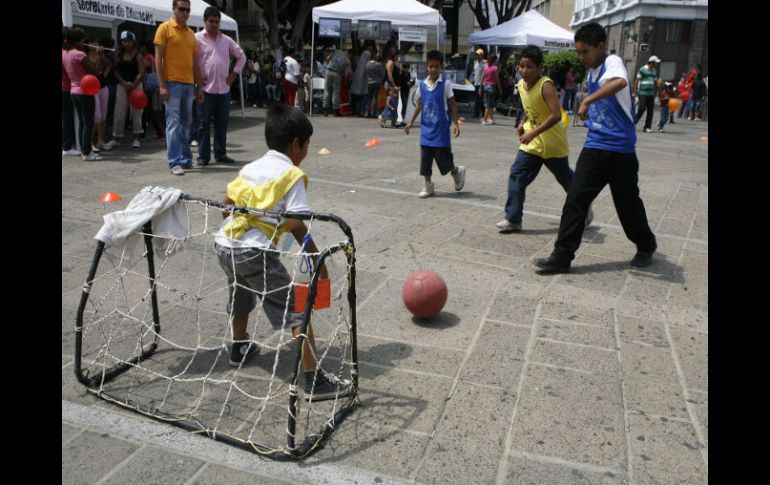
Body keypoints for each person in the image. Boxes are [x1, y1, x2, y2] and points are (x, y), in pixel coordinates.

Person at [213, 104, 353, 401]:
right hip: (255, 252)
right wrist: (316, 257)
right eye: (307, 145)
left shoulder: (250, 167)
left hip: (224, 244)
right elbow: (296, 223)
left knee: (240, 290)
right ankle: (313, 380)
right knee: (296, 309)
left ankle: (239, 346)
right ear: (295, 144)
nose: (307, 152)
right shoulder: (291, 174)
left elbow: (226, 206)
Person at [535, 22, 657, 273]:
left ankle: (646, 244)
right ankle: (562, 256)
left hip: (621, 152)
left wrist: (588, 100)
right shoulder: (591, 72)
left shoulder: (613, 62)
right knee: (575, 199)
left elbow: (619, 82)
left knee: (627, 206)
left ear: (601, 46)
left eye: (585, 52)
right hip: (594, 147)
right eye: (578, 52)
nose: (581, 57)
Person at [496, 45, 592, 233]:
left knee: (566, 179)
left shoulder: (545, 85)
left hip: (552, 143)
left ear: (540, 68)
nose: (524, 70)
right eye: (521, 66)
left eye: (529, 67)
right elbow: (530, 108)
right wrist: (523, 124)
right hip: (532, 144)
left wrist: (532, 133)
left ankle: (584, 205)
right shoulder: (521, 85)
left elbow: (555, 115)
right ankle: (513, 219)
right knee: (517, 174)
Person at [404, 50, 466, 198]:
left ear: (441, 67)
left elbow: (452, 104)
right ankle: (428, 185)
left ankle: (457, 172)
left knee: (444, 162)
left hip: (441, 131)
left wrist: (456, 123)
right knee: (425, 160)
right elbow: (420, 104)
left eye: (436, 66)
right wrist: (410, 122)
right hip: (426, 131)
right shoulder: (422, 85)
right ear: (426, 67)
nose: (433, 69)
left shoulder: (445, 84)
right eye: (431, 66)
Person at [193, 5, 245, 167]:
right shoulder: (196, 39)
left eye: (217, 21)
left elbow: (242, 57)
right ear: (204, 21)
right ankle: (203, 156)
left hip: (223, 89)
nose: (214, 24)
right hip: (204, 89)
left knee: (222, 124)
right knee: (203, 124)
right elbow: (190, 61)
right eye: (211, 21)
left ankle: (221, 154)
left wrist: (233, 75)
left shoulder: (226, 40)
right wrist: (196, 82)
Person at [154, 0, 202, 176]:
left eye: (188, 10)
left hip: (189, 84)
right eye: (182, 9)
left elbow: (195, 63)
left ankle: (185, 158)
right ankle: (174, 161)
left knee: (187, 123)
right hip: (172, 83)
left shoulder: (191, 33)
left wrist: (199, 87)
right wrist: (162, 85)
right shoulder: (164, 28)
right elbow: (158, 59)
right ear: (174, 9)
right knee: (174, 123)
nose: (185, 13)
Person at [62, 27, 102, 161]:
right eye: (82, 40)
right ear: (78, 41)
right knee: (88, 123)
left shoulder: (65, 53)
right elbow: (95, 71)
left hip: (73, 91)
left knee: (81, 123)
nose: (83, 42)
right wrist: (98, 56)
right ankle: (87, 152)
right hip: (84, 91)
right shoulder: (80, 55)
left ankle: (83, 150)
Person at [111, 31, 145, 149]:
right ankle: (117, 137)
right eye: (124, 41)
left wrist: (133, 84)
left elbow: (141, 73)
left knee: (137, 113)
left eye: (128, 41)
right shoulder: (118, 55)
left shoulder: (138, 56)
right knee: (119, 112)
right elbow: (116, 71)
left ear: (133, 42)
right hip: (122, 85)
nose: (126, 43)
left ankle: (136, 138)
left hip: (136, 85)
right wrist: (124, 83)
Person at [62, 28, 79, 157]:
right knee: (67, 117)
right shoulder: (67, 53)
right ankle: (67, 146)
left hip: (65, 87)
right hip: (66, 87)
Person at [634, 55, 660, 133]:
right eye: (655, 63)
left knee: (650, 110)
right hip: (643, 92)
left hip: (651, 93)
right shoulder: (642, 69)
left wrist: (657, 92)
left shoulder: (654, 71)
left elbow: (655, 81)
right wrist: (635, 92)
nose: (656, 64)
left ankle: (647, 127)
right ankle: (633, 123)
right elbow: (637, 81)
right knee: (641, 108)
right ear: (651, 62)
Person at [322, 44, 350, 116]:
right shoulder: (346, 58)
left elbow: (327, 58)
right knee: (336, 92)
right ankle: (336, 110)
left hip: (328, 71)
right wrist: (345, 79)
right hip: (337, 73)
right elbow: (347, 72)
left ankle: (325, 109)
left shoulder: (335, 52)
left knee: (327, 90)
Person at [481, 53, 501, 125]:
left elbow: (482, 77)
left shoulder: (485, 67)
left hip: (485, 86)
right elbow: (497, 79)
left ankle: (492, 119)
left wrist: (480, 87)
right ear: (494, 61)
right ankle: (484, 120)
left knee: (491, 104)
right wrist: (500, 88)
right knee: (489, 105)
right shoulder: (495, 68)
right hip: (492, 87)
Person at [365, 52, 385, 118]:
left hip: (369, 82)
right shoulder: (379, 65)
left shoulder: (368, 63)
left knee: (369, 98)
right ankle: (374, 113)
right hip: (377, 82)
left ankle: (367, 112)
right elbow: (382, 74)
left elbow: (366, 71)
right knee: (375, 97)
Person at [471, 48, 487, 118]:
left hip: (482, 84)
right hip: (476, 82)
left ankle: (477, 113)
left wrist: (481, 85)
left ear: (482, 55)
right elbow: (474, 72)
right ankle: (482, 112)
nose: (477, 56)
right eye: (476, 54)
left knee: (479, 99)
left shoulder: (484, 63)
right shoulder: (475, 62)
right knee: (477, 99)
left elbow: (484, 74)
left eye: (478, 54)